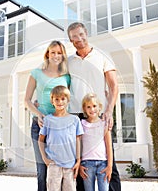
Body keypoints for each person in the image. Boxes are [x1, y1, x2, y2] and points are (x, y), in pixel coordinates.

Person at [67, 22, 121, 191]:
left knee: (107, 157)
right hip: (76, 115)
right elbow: (60, 86)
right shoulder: (68, 62)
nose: (79, 38)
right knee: (80, 161)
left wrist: (109, 111)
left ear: (87, 34)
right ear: (70, 40)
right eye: (74, 36)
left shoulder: (102, 56)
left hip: (99, 114)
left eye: (81, 34)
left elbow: (114, 86)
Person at [24, 40, 70, 191]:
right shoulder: (36, 73)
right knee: (42, 169)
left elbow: (67, 100)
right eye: (53, 52)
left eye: (59, 52)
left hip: (59, 128)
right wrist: (38, 114)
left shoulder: (66, 76)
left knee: (60, 169)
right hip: (40, 126)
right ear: (47, 54)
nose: (56, 56)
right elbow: (27, 100)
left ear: (63, 55)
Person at [38, 85, 84, 191]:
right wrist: (45, 158)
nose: (60, 102)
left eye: (63, 99)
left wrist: (78, 160)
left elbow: (78, 139)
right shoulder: (48, 120)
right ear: (52, 101)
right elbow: (41, 140)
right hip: (54, 164)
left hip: (70, 164)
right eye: (56, 99)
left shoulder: (75, 120)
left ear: (68, 100)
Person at [80, 93, 113, 191]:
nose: (92, 109)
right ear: (84, 109)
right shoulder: (81, 124)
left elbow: (109, 146)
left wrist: (110, 166)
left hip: (103, 164)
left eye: (94, 106)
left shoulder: (104, 124)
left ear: (99, 107)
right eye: (88, 107)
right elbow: (78, 145)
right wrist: (80, 164)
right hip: (87, 164)